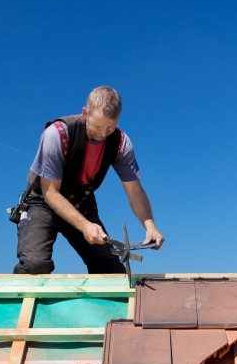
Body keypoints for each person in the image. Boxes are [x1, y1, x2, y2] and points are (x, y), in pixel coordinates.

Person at [13, 86, 164, 274]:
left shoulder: (120, 143)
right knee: (35, 265)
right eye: (98, 125)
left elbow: (134, 191)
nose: (103, 134)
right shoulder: (57, 134)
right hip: (43, 202)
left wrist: (150, 226)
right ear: (85, 113)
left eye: (110, 127)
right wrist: (85, 226)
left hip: (81, 203)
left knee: (111, 273)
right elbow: (51, 193)